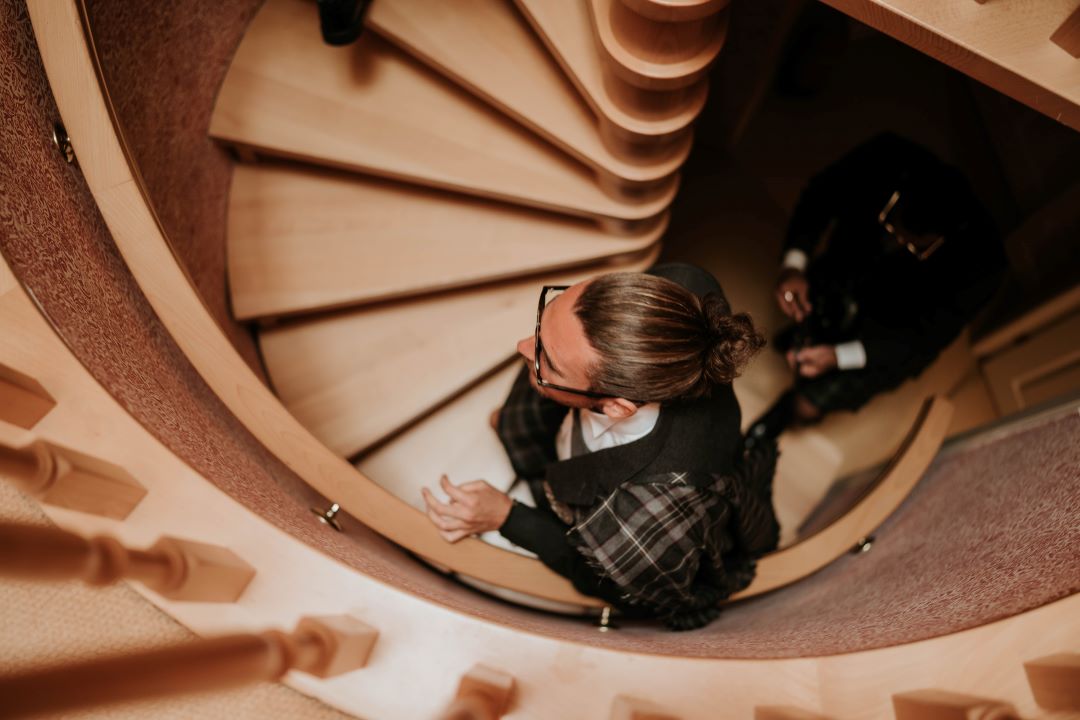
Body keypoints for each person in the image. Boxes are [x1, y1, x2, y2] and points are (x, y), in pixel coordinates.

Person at [422, 263, 779, 630]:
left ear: (615, 408)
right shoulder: (684, 288)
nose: (522, 347)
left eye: (549, 363)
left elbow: (608, 581)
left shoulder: (655, 508)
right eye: (546, 317)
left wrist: (508, 518)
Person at [746, 133, 1007, 443]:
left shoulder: (983, 266)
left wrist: (840, 357)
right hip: (842, 271)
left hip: (889, 336)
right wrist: (793, 265)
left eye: (912, 245)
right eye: (891, 225)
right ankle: (800, 342)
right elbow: (820, 196)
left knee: (811, 402)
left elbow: (921, 339)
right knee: (806, 325)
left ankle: (789, 413)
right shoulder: (888, 155)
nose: (896, 240)